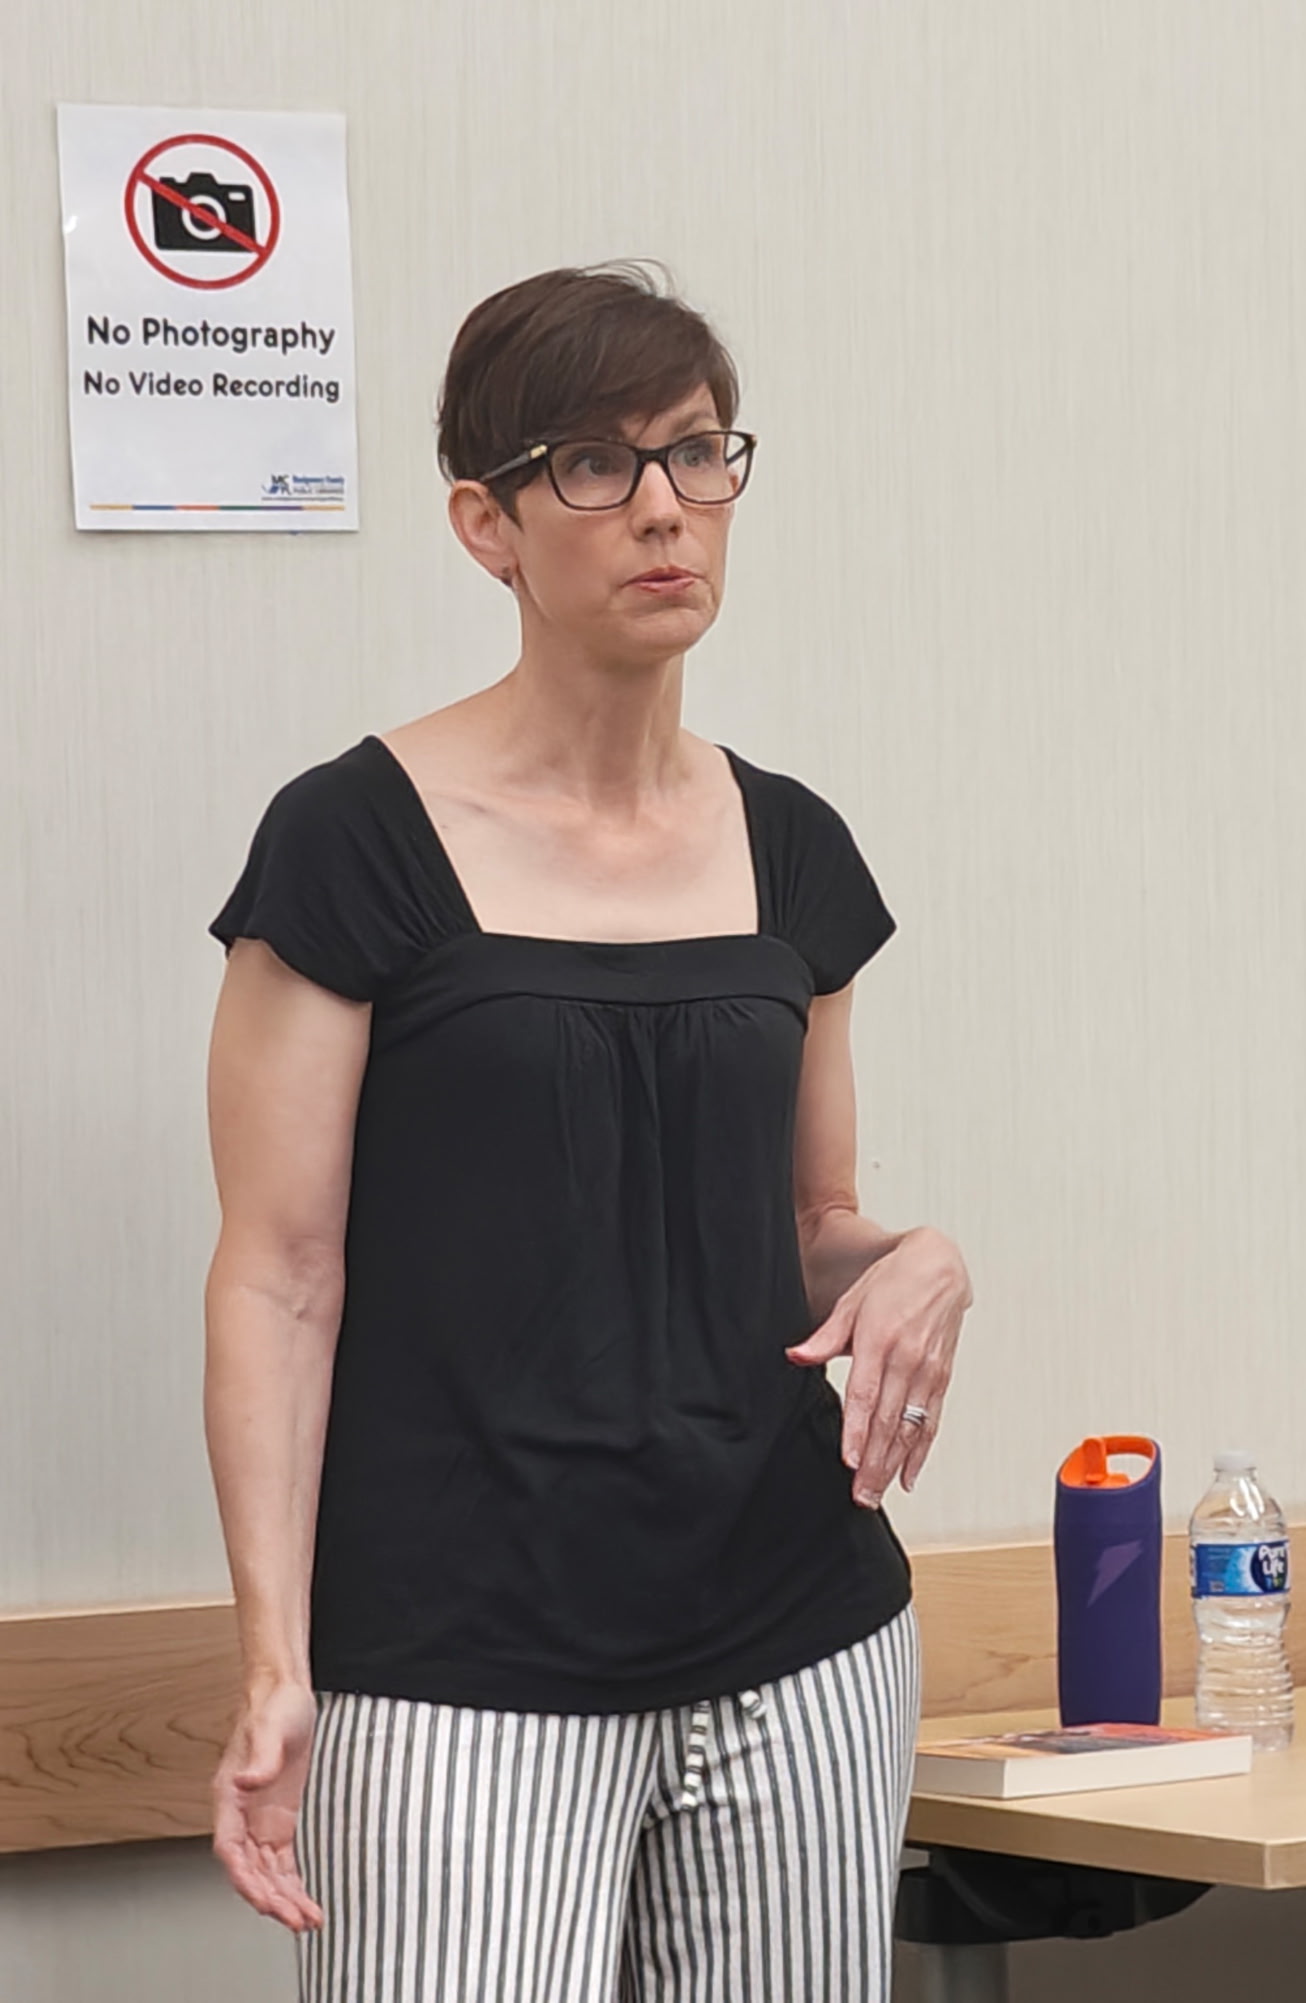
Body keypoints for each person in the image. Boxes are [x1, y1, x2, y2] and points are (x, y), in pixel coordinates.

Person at [201, 262, 974, 2002]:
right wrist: (272, 1652)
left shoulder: (794, 849)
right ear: (486, 522)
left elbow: (802, 1223)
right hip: (458, 1653)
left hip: (798, 1632)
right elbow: (276, 1278)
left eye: (698, 457)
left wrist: (919, 1257)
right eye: (596, 468)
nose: (661, 512)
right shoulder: (352, 840)